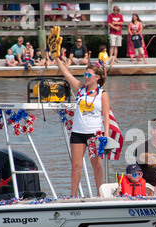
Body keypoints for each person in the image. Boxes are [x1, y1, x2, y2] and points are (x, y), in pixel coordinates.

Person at [48, 26, 111, 197]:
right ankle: (73, 196)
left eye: (89, 75)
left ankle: (101, 196)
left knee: (96, 166)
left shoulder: (103, 95)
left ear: (97, 78)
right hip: (77, 133)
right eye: (85, 74)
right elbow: (66, 73)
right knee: (75, 167)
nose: (86, 76)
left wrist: (105, 136)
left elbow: (106, 117)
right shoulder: (81, 89)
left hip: (95, 134)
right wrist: (56, 57)